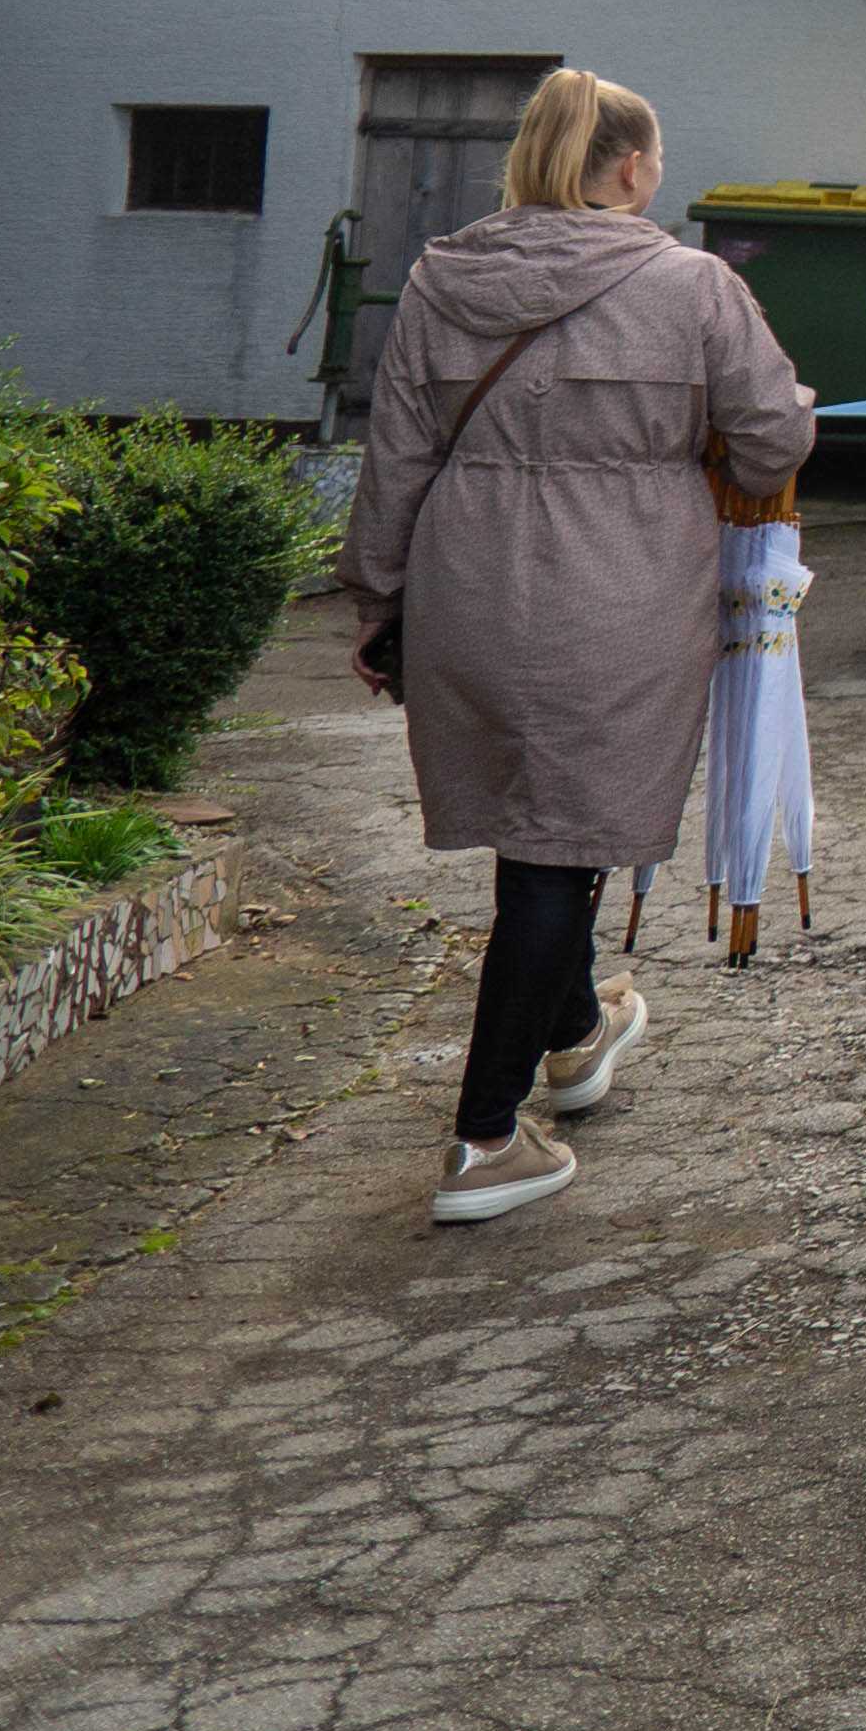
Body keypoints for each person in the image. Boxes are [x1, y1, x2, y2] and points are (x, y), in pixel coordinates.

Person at [344, 69, 815, 1230]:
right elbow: (771, 441)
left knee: (535, 827)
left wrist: (378, 597)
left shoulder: (439, 278)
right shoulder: (691, 285)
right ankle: (484, 1137)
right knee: (561, 851)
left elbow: (394, 451)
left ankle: (575, 1036)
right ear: (629, 168)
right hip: (619, 584)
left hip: (466, 580)